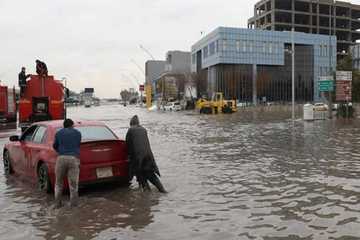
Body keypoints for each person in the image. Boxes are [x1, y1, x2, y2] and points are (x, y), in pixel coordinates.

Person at [126, 115, 166, 193]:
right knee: (152, 176)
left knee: (141, 177)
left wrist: (129, 158)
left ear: (131, 123)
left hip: (138, 159)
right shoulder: (144, 129)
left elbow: (128, 146)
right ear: (138, 123)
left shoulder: (130, 130)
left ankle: (146, 197)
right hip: (149, 156)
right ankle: (163, 191)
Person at [53, 119, 82, 207]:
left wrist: (60, 151)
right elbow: (77, 144)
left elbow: (55, 145)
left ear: (64, 125)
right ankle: (73, 206)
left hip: (61, 158)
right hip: (73, 159)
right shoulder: (78, 133)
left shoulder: (58, 133)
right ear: (72, 125)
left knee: (58, 183)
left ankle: (57, 204)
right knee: (73, 185)